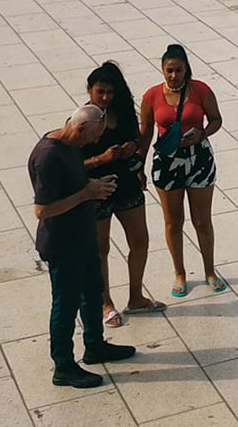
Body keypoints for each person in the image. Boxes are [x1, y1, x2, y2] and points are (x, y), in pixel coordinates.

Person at [28, 104, 136, 388]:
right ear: (79, 128)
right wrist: (86, 193)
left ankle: (95, 345)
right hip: (63, 245)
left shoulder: (71, 145)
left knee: (92, 292)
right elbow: (42, 209)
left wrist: (94, 183)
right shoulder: (48, 157)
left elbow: (73, 181)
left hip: (83, 237)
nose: (95, 143)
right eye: (93, 137)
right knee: (65, 305)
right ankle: (63, 366)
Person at [82, 62, 165, 328]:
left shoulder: (125, 113)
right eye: (100, 92)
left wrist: (134, 149)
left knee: (140, 241)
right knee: (100, 249)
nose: (105, 97)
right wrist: (100, 159)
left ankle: (136, 298)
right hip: (97, 190)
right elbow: (71, 163)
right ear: (90, 90)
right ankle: (105, 303)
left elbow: (139, 139)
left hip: (127, 185)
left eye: (110, 92)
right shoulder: (83, 120)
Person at [140, 44, 226, 297]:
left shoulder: (201, 91)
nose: (174, 76)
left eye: (178, 70)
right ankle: (180, 272)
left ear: (187, 69)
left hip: (199, 159)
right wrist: (138, 165)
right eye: (169, 70)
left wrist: (202, 134)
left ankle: (210, 270)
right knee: (173, 222)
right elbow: (145, 133)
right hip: (166, 163)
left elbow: (216, 119)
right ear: (162, 70)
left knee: (202, 220)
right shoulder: (151, 97)